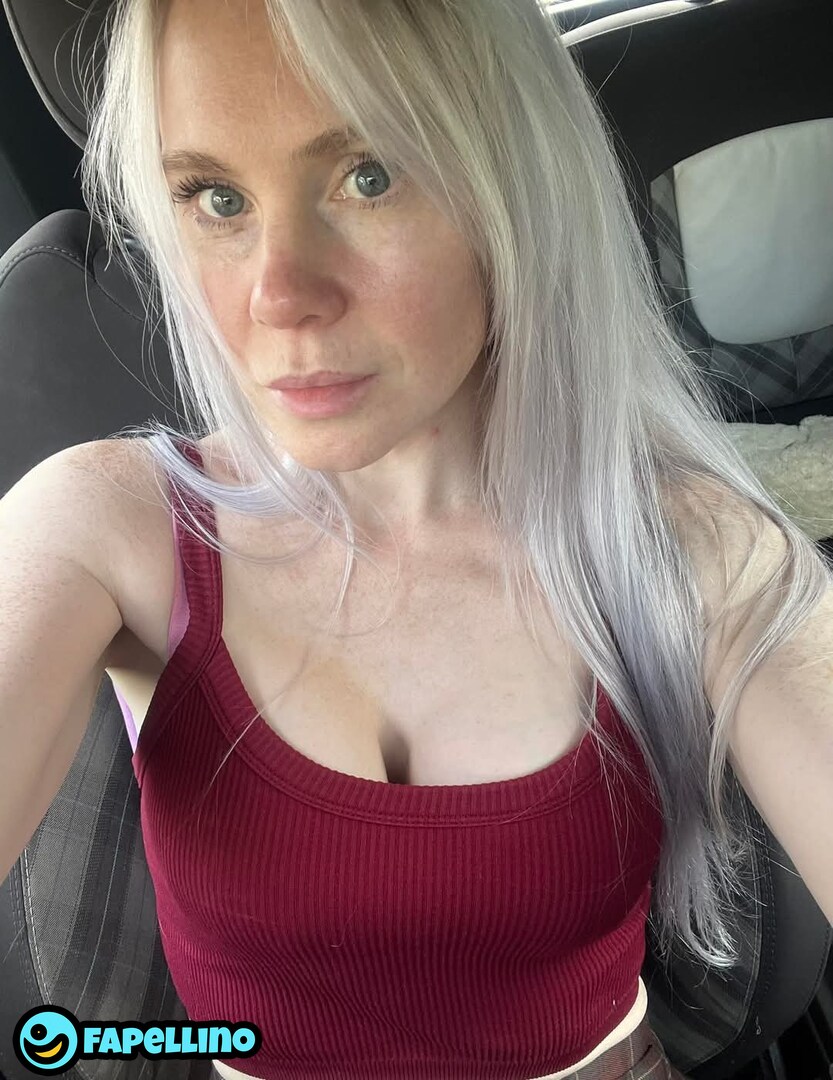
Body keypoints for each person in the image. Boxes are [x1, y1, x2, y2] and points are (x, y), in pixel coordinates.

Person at [8, 0, 829, 1077]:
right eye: (217, 198)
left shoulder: (700, 554)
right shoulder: (104, 523)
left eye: (368, 175)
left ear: (515, 189)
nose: (277, 296)